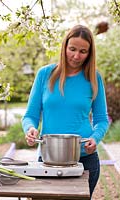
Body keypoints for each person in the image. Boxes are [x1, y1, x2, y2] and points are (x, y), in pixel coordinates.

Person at [22, 24, 109, 198]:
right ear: (64, 47)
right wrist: (30, 129)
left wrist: (95, 137)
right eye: (72, 49)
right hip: (48, 161)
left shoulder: (94, 78)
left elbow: (101, 119)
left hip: (85, 160)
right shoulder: (44, 74)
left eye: (83, 51)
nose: (76, 56)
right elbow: (30, 116)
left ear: (89, 53)